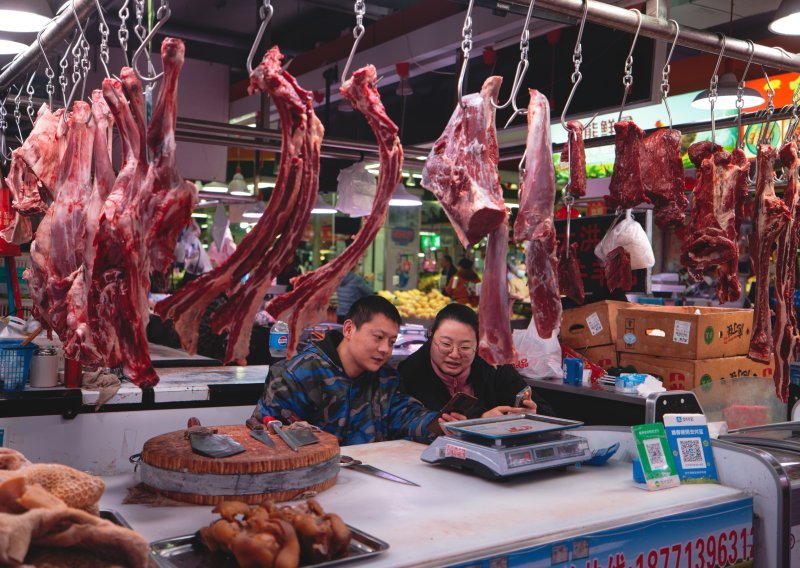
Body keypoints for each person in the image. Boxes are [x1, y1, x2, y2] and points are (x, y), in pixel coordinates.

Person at [251, 296, 453, 445]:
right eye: (378, 337)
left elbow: (407, 416)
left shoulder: (386, 379)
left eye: (392, 342)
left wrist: (440, 424)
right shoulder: (296, 376)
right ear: (348, 329)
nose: (385, 349)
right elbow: (266, 438)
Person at [398, 303, 553, 418]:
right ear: (431, 336)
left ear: (478, 344)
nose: (454, 354)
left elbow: (545, 410)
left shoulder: (492, 364)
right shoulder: (412, 371)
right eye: (446, 344)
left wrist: (533, 412)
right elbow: (428, 419)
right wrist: (482, 420)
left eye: (465, 347)